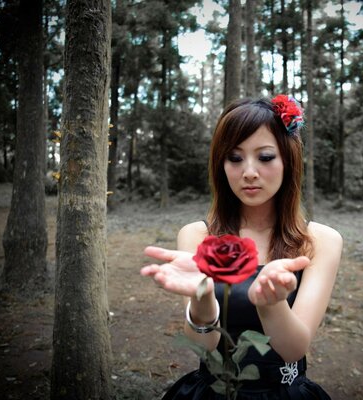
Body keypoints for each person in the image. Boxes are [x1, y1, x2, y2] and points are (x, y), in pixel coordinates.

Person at [141, 95, 343, 399]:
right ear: (220, 165)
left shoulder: (320, 241)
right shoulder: (197, 235)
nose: (249, 171)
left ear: (288, 159)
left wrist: (270, 302)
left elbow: (293, 349)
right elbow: (204, 345)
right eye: (235, 158)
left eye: (264, 157)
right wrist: (203, 297)